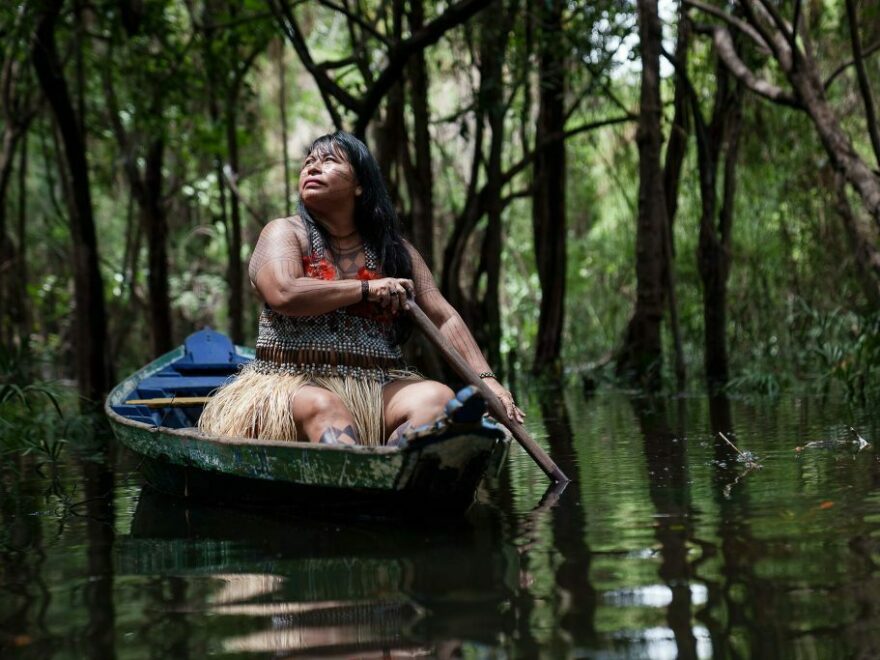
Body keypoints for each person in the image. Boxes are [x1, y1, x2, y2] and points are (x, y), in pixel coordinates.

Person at [199, 131, 522, 446]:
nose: (312, 167)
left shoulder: (395, 253)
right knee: (325, 407)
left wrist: (487, 381)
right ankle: (362, 476)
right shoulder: (284, 233)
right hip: (291, 385)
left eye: (328, 161)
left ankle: (395, 468)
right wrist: (366, 289)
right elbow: (284, 292)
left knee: (438, 398)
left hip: (376, 387)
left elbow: (442, 317)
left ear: (359, 186)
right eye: (308, 162)